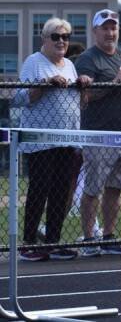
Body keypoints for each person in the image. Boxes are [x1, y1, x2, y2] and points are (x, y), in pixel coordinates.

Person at [12, 18, 90, 261]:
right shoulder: (34, 62)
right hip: (40, 140)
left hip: (67, 138)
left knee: (60, 190)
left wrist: (84, 86)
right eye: (56, 36)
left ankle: (52, 242)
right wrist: (46, 83)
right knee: (40, 188)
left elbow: (81, 103)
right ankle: (28, 243)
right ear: (44, 39)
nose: (61, 41)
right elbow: (20, 98)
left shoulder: (69, 65)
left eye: (65, 37)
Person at [75, 9, 121, 257]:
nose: (110, 32)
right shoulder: (87, 59)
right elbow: (85, 97)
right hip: (97, 134)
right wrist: (115, 82)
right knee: (93, 188)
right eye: (105, 28)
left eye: (113, 27)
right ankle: (88, 238)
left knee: (115, 187)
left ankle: (108, 235)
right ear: (95, 31)